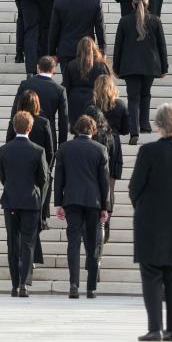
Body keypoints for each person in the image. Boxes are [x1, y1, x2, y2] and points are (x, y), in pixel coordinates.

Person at [129, 104, 172, 342]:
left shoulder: (148, 152)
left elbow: (134, 187)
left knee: (152, 274)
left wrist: (142, 207)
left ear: (158, 125)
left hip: (150, 219)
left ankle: (155, 327)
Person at [54, 115, 110, 298]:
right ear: (93, 130)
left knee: (73, 243)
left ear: (76, 129)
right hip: (93, 202)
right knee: (93, 244)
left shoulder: (64, 148)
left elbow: (59, 178)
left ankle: (73, 285)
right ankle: (91, 287)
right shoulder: (100, 149)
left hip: (72, 200)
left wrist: (58, 203)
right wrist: (105, 207)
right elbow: (104, 182)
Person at [0, 111, 48, 298]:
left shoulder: (4, 149)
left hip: (11, 201)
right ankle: (24, 284)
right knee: (28, 243)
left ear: (13, 126)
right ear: (30, 127)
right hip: (30, 201)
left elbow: (2, 176)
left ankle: (13, 284)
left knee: (12, 243)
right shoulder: (38, 150)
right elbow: (44, 178)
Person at [113, 0, 168, 145]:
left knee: (133, 98)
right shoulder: (155, 21)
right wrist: (164, 67)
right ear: (147, 4)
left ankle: (134, 131)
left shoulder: (124, 21)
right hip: (150, 65)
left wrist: (115, 67)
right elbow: (162, 46)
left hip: (130, 66)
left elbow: (118, 47)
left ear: (132, 4)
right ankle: (144, 125)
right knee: (145, 94)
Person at [5, 89, 55, 226]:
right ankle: (41, 219)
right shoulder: (44, 123)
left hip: (18, 170)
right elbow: (50, 151)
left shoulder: (14, 122)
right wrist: (46, 168)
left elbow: (8, 146)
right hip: (39, 169)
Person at [49, 0, 105, 70]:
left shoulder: (59, 2)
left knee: (68, 83)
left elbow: (54, 30)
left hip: (66, 50)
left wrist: (52, 52)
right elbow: (100, 28)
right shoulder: (95, 1)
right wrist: (102, 50)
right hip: (87, 50)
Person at [11, 56, 69, 148]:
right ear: (53, 70)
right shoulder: (60, 90)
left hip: (24, 131)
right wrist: (62, 145)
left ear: (38, 68)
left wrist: (10, 138)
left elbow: (15, 111)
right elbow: (63, 121)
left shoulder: (25, 84)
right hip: (48, 135)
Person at [62, 37, 110, 126]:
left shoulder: (71, 65)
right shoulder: (101, 66)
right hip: (94, 99)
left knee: (77, 128)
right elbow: (107, 85)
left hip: (74, 100)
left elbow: (66, 86)